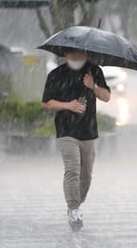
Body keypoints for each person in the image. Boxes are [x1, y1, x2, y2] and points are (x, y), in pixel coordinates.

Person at [42, 48, 110, 231]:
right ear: (65, 54)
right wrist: (69, 106)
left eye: (80, 54)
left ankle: (76, 202)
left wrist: (93, 86)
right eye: (72, 54)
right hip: (66, 131)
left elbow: (106, 97)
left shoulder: (94, 71)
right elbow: (47, 103)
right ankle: (74, 209)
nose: (76, 57)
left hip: (89, 132)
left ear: (87, 54)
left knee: (86, 174)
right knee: (72, 170)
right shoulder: (57, 74)